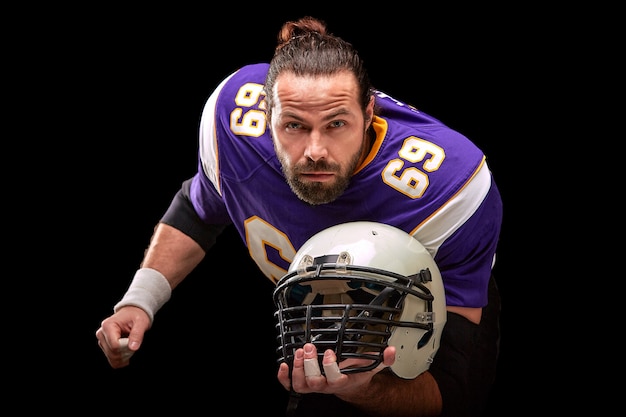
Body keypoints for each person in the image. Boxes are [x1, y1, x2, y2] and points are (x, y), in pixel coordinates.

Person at [96, 16, 503, 417]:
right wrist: (139, 302)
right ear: (265, 116)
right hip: (310, 316)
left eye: (337, 124)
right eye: (293, 125)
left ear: (370, 113)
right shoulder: (234, 125)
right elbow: (200, 209)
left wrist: (364, 390)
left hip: (413, 332)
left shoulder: (450, 189)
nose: (315, 151)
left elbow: (449, 393)